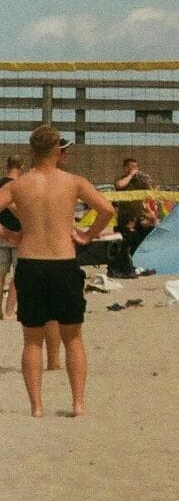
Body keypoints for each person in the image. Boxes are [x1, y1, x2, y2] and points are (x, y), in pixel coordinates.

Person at [0, 126, 115, 417]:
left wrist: (9, 235)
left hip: (31, 262)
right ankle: (78, 403)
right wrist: (88, 235)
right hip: (63, 262)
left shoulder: (19, 185)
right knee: (73, 338)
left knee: (32, 340)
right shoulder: (73, 181)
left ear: (30, 151)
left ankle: (37, 407)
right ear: (58, 151)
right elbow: (107, 209)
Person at [0, 154, 23, 319]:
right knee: (18, 276)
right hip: (19, 235)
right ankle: (9, 311)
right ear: (21, 166)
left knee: (0, 273)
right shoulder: (21, 186)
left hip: (1, 234)